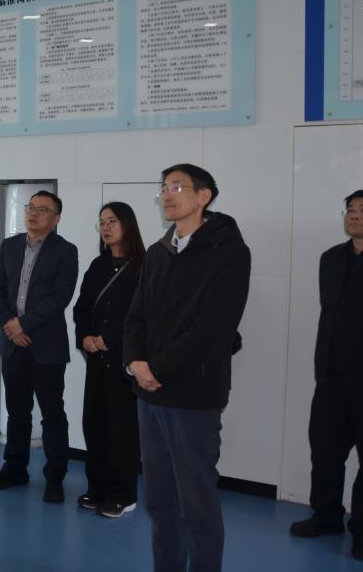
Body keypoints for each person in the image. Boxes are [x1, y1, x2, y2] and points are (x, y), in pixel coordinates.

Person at [123, 163, 251, 572]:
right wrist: (134, 363)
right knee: (160, 502)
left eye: (177, 186)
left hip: (193, 395)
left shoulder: (229, 251)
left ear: (204, 196)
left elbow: (213, 330)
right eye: (163, 187)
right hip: (148, 394)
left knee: (197, 503)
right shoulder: (159, 251)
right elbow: (135, 316)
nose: (167, 194)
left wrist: (154, 369)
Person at [290, 189, 363, 563]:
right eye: (350, 210)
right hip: (332, 380)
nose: (355, 215)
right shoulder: (331, 259)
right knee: (324, 455)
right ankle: (326, 518)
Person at [0, 190, 79, 504]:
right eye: (31, 207)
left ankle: (55, 477)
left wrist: (23, 325)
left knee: (52, 413)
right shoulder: (9, 246)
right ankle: (14, 469)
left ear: (56, 218)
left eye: (42, 209)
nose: (34, 213)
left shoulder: (66, 251)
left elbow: (60, 297)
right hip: (12, 343)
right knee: (17, 410)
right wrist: (9, 324)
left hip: (46, 345)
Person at [73, 201, 145, 518]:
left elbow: (142, 314)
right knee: (94, 425)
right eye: (101, 222)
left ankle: (123, 494)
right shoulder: (98, 265)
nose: (105, 227)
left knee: (121, 430)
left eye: (112, 221)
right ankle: (97, 488)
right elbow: (82, 308)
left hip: (124, 362)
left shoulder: (144, 266)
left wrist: (109, 337)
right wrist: (85, 336)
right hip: (96, 361)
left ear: (127, 224)